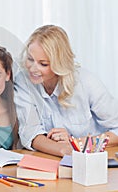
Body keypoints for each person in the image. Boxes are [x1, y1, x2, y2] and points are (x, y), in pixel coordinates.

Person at [14, 25, 118, 157]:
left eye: (43, 64)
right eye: (30, 59)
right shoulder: (23, 80)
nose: (33, 69)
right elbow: (30, 134)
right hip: (54, 159)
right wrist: (63, 150)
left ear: (59, 63)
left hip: (94, 159)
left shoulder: (86, 82)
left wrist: (75, 143)